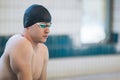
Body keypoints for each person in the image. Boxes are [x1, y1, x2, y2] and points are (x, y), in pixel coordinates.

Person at [0, 4, 52, 80]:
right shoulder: (20, 43)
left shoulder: (43, 50)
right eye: (42, 25)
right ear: (28, 25)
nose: (47, 30)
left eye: (49, 26)